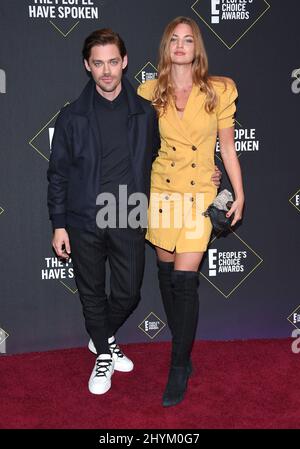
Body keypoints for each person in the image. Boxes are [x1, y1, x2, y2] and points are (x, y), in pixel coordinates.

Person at [47, 28, 221, 397]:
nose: (107, 71)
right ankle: (105, 354)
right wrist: (58, 224)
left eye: (113, 62)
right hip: (83, 218)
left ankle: (101, 338)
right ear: (87, 66)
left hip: (129, 213)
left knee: (128, 293)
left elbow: (173, 152)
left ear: (124, 62)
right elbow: (58, 174)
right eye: (98, 63)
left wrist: (209, 169)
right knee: (92, 293)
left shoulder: (145, 112)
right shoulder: (71, 117)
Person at [138, 16, 244, 407]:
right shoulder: (149, 91)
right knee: (166, 277)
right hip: (162, 192)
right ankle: (181, 348)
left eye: (188, 39)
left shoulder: (219, 90)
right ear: (166, 47)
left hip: (200, 192)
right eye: (174, 40)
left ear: (197, 47)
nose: (181, 45)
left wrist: (240, 192)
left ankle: (179, 364)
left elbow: (228, 148)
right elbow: (142, 146)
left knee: (184, 282)